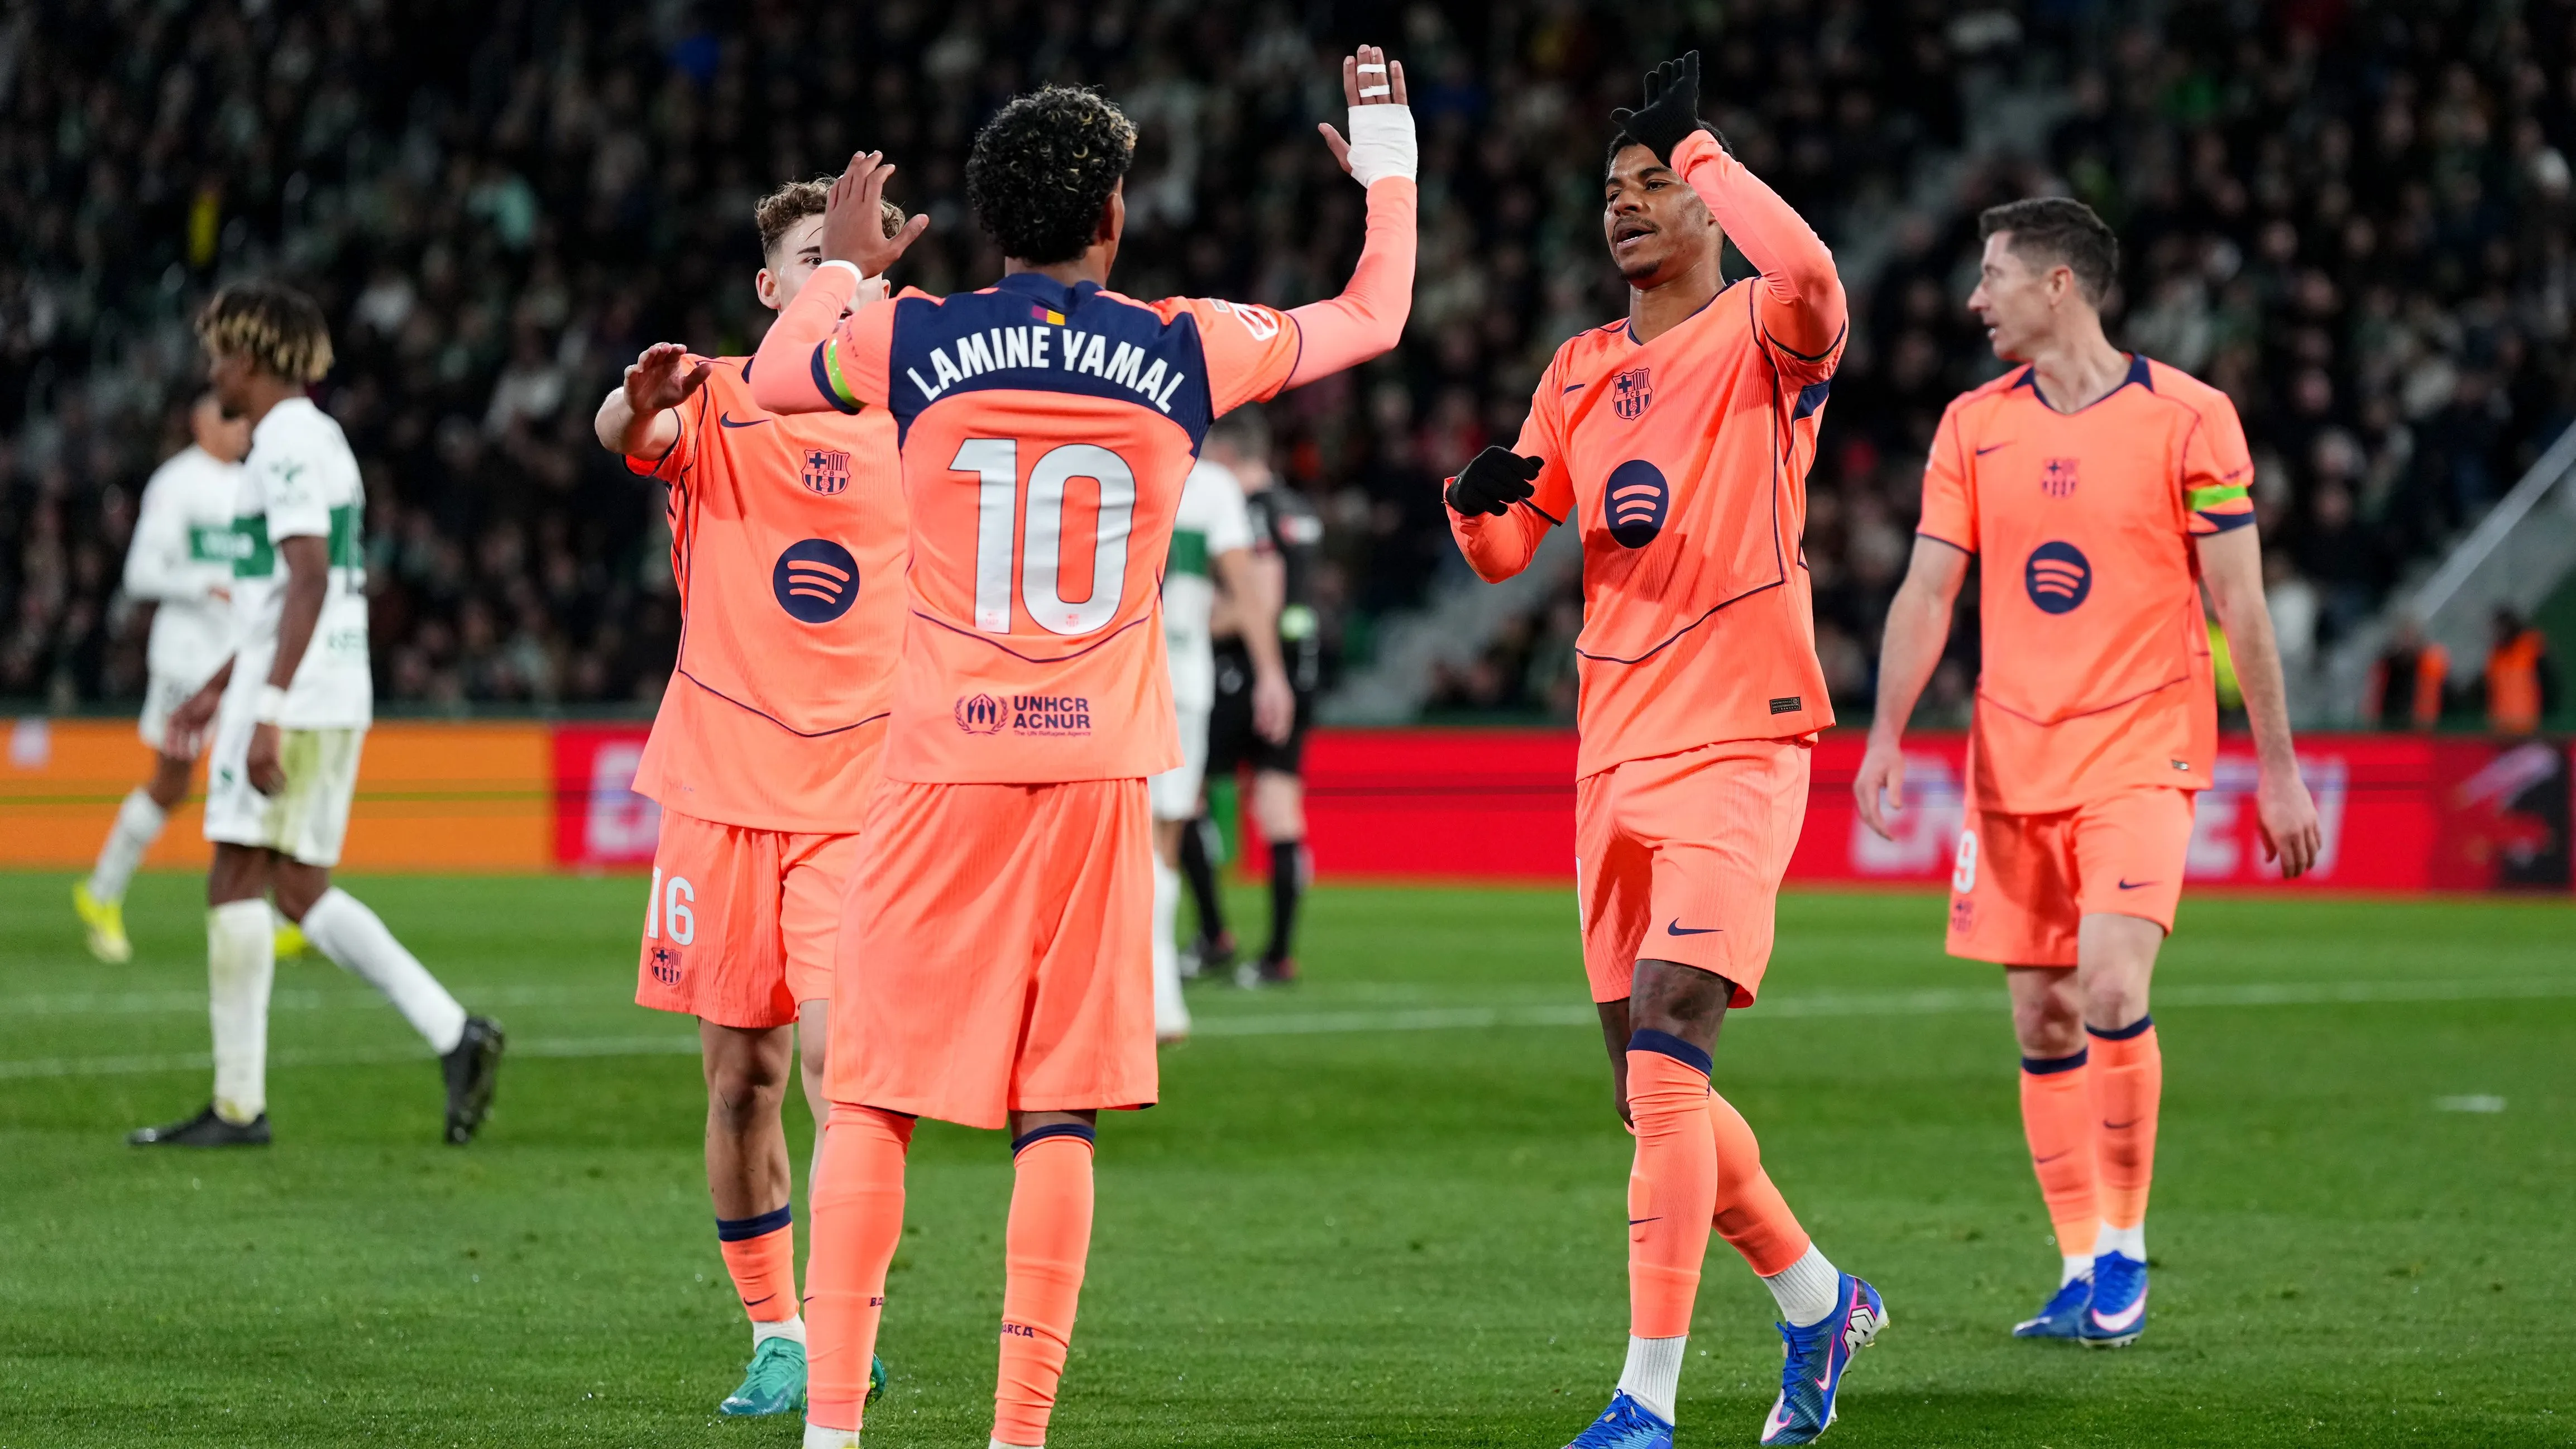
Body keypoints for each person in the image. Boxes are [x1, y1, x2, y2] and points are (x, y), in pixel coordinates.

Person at [748, 46, 1415, 1448]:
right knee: (1061, 1115)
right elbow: (1375, 311)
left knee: (869, 1091)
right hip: (1100, 771)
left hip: (935, 768)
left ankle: (829, 1431)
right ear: (1110, 216)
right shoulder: (1183, 345)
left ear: (990, 221)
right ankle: (1017, 1435)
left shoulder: (912, 333)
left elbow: (766, 378)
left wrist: (851, 268)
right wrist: (1389, 174)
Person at [1442, 53, 1880, 1449]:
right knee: (1649, 1090)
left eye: (1651, 189)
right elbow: (1515, 548)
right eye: (1612, 193)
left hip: (1740, 735)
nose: (1626, 211)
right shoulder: (1577, 369)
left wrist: (1694, 143)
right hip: (1611, 749)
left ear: (1702, 204)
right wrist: (1473, 502)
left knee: (1676, 1039)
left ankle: (1647, 1395)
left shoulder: (1765, 330)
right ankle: (1818, 1299)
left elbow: (1814, 266)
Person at [1855, 196, 2323, 1350]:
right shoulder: (1972, 426)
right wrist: (1882, 733)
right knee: (2043, 1008)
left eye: (1993, 275)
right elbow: (1928, 590)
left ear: (2060, 285)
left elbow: (2240, 602)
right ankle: (2077, 1265)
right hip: (2011, 758)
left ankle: (2124, 1250)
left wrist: (2278, 769)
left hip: (2143, 749)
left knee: (2112, 989)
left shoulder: (2191, 418)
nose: (1975, 298)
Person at [588, 179, 919, 1419]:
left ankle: (843, 1331)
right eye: (819, 264)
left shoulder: (921, 413)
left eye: (865, 270)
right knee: (742, 1081)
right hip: (722, 787)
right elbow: (624, 433)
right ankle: (777, 1332)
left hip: (863, 792)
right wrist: (637, 395)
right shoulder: (715, 396)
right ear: (775, 292)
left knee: (848, 1070)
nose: (848, 285)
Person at [131, 281, 506, 1149]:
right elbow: (289, 591)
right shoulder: (319, 439)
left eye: (222, 352)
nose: (214, 369)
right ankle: (454, 1033)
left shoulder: (285, 444)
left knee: (234, 876)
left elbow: (306, 578)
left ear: (254, 358)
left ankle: (237, 1108)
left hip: (295, 698)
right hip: (326, 687)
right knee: (297, 888)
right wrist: (222, 685)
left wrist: (262, 707)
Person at [74, 393, 250, 963]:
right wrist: (205, 584)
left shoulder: (256, 485)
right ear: (200, 424)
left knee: (250, 776)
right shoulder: (177, 483)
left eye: (245, 418)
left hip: (239, 656)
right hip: (188, 659)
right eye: (231, 418)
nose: (242, 428)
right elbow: (142, 573)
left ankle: (260, 912)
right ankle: (102, 892)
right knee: (173, 783)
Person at [1147, 449, 1289, 1041]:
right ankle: (1158, 997)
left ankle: (1150, 990)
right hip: (1181, 682)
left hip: (1119, 678)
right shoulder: (1210, 488)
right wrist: (1272, 673)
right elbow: (1247, 589)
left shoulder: (1123, 450)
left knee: (1148, 839)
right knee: (1163, 838)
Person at [1190, 406, 1326, 986]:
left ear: (1226, 454)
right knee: (1278, 808)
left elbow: (1260, 601)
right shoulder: (1297, 509)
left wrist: (1188, 619)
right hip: (1300, 673)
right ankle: (1278, 955)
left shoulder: (1247, 511)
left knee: (1186, 796)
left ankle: (1215, 935)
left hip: (1244, 673)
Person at [2362, 614, 2448, 729]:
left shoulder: (2429, 663)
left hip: (2420, 730)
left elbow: (2433, 699)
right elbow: (2375, 697)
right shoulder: (2388, 664)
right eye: (2404, 635)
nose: (2406, 641)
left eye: (2410, 635)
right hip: (2388, 727)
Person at [2482, 607, 2558, 735]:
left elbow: (2549, 683)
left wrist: (2547, 717)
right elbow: (2490, 689)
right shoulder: (2496, 654)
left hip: (2529, 726)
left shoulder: (2530, 647)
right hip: (2502, 729)